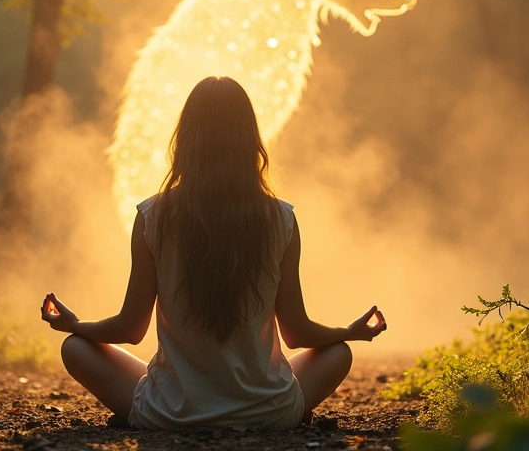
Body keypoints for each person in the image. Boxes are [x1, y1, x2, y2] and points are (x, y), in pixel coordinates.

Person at [40, 76, 387, 430]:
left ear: (185, 140)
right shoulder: (280, 218)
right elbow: (297, 333)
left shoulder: (152, 216)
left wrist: (75, 325)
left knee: (75, 347)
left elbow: (130, 329)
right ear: (250, 141)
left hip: (170, 414)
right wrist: (349, 331)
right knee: (339, 352)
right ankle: (273, 407)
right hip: (268, 414)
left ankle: (172, 403)